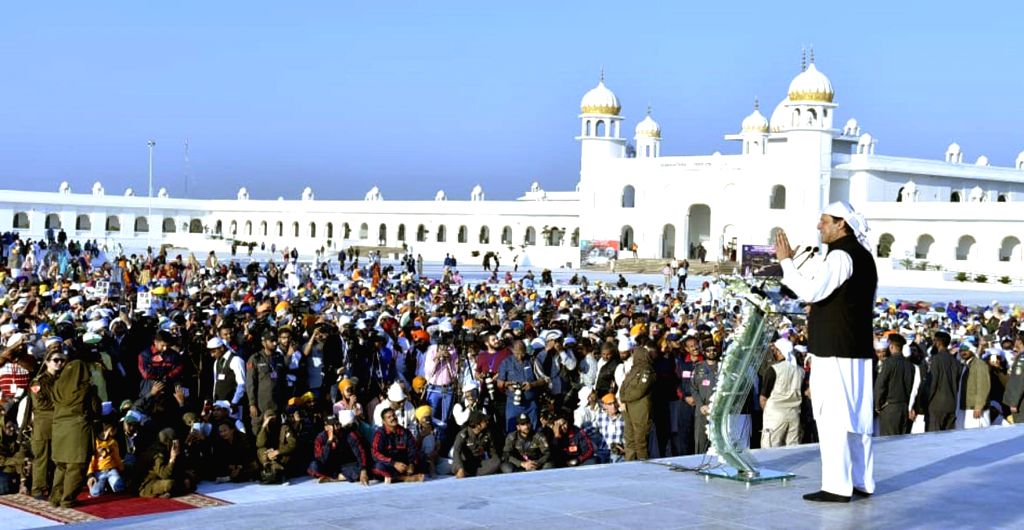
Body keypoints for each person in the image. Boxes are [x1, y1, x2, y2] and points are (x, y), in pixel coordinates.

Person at [775, 200, 877, 503]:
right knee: (857, 419)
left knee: (833, 416)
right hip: (853, 347)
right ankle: (861, 480)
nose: (819, 226)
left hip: (834, 351)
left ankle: (837, 485)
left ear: (840, 224)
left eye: (824, 221)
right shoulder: (863, 256)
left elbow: (810, 291)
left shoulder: (842, 255)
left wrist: (785, 262)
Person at [50, 358, 99, 508]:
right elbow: (96, 409)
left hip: (59, 428)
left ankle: (55, 498)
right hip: (77, 429)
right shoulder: (85, 388)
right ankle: (67, 499)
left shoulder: (58, 386)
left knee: (61, 466)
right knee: (76, 467)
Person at [28, 349, 64, 499]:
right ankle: (38, 489)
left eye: (62, 360)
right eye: (56, 360)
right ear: (47, 362)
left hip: (59, 424)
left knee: (56, 458)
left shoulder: (62, 380)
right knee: (42, 458)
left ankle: (52, 487)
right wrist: (62, 406)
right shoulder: (39, 381)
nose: (59, 363)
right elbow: (40, 404)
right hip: (44, 424)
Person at [760, 339, 805, 447]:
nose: (773, 352)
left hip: (775, 415)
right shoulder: (800, 370)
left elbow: (763, 398)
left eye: (775, 350)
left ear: (780, 351)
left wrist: (767, 414)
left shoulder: (773, 369)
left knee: (771, 451)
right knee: (793, 451)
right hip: (794, 415)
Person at [873, 336, 916, 436]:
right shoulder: (910, 365)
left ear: (891, 346)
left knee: (889, 444)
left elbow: (880, 386)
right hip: (904, 408)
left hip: (890, 409)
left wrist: (878, 405)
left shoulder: (888, 363)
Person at [619, 338, 654, 461]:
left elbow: (640, 390)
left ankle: (642, 464)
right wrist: (622, 397)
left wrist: (625, 397)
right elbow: (623, 385)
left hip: (640, 410)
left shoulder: (647, 370)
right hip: (628, 409)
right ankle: (630, 462)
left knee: (640, 440)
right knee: (630, 439)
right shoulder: (633, 370)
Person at [371, 408, 423, 483]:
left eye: (394, 415)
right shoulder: (379, 434)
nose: (393, 418)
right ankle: (403, 478)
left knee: (422, 459)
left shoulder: (405, 432)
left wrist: (411, 464)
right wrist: (393, 463)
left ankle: (402, 475)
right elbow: (375, 453)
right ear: (384, 422)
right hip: (389, 464)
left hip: (404, 463)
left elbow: (413, 449)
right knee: (378, 467)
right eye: (389, 417)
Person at [451, 411, 500, 478]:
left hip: (478, 462)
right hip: (465, 462)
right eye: (484, 421)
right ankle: (463, 471)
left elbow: (492, 450)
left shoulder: (487, 433)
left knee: (496, 462)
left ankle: (471, 473)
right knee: (455, 467)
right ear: (477, 425)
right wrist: (460, 468)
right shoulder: (463, 434)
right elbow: (456, 452)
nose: (487, 422)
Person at [926, 331, 959, 431]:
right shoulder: (955, 361)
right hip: (952, 404)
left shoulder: (936, 359)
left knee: (934, 440)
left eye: (934, 341)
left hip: (937, 405)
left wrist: (926, 400)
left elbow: (933, 382)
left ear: (938, 342)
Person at [87, 422, 126, 496]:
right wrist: (90, 474)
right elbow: (91, 460)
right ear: (111, 429)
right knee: (96, 493)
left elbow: (116, 457)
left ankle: (108, 485)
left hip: (111, 469)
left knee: (120, 487)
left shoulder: (113, 442)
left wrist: (121, 469)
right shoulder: (95, 442)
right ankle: (102, 485)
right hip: (99, 471)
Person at [958, 343, 991, 429]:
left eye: (966, 350)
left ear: (972, 350)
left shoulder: (979, 364)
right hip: (966, 408)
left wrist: (979, 406)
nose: (963, 352)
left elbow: (983, 386)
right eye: (961, 350)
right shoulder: (966, 365)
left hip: (976, 409)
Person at [592, 393, 625, 463]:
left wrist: (624, 447)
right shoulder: (600, 417)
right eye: (610, 404)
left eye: (614, 403)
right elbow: (589, 430)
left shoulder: (624, 418)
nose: (613, 406)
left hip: (617, 451)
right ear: (605, 406)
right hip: (603, 450)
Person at [1003, 335, 1024, 424]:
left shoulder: (1022, 359)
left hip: (1021, 403)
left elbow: (1019, 380)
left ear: (1020, 341)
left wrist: (1014, 402)